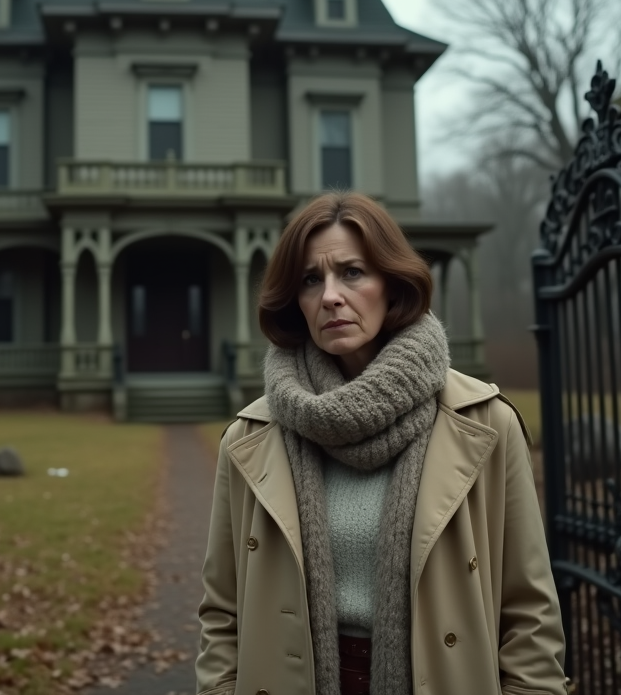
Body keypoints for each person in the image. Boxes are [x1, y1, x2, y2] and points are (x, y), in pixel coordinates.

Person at [196, 192, 567, 695]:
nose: (330, 295)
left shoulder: (486, 424)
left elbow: (529, 613)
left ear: (392, 285)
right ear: (295, 301)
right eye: (311, 279)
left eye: (352, 272)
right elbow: (222, 613)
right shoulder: (249, 438)